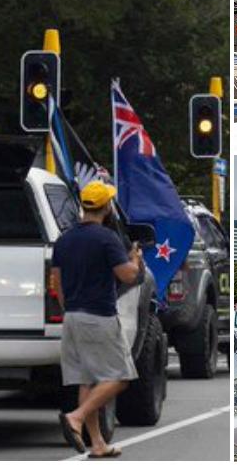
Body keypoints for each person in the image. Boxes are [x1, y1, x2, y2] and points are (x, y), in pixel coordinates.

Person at [54, 181, 143, 457]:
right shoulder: (106, 238)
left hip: (72, 317)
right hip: (99, 317)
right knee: (121, 377)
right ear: (105, 208)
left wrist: (70, 308)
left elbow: (56, 283)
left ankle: (98, 444)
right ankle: (76, 417)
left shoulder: (64, 239)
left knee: (88, 380)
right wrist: (136, 260)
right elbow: (127, 276)